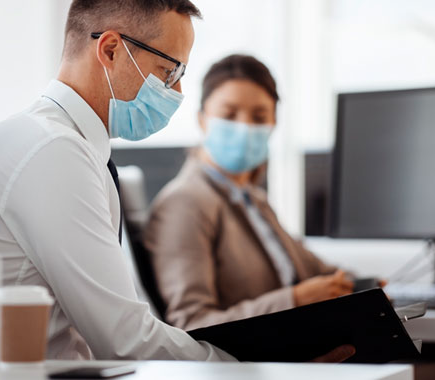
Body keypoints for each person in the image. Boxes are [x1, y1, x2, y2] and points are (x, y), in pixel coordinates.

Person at [0, 1, 354, 362]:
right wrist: (256, 365)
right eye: (169, 72)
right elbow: (125, 340)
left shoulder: (70, 146)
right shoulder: (48, 149)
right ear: (111, 49)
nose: (179, 90)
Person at [145, 55, 357, 331]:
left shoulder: (253, 200)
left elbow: (320, 272)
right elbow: (192, 323)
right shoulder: (184, 203)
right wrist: (295, 299)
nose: (244, 127)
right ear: (202, 120)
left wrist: (367, 288)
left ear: (273, 124)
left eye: (258, 116)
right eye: (229, 114)